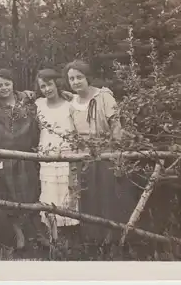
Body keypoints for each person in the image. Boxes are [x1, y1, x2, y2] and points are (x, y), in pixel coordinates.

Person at [63, 59, 138, 253]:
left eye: (79, 77)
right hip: (85, 159)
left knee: (109, 197)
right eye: (71, 78)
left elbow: (116, 126)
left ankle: (114, 240)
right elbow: (73, 135)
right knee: (90, 196)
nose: (76, 81)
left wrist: (116, 155)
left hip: (107, 155)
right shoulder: (72, 104)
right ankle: (93, 240)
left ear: (88, 77)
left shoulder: (104, 97)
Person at [0, 68, 49, 251]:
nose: (4, 88)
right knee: (8, 196)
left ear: (13, 83)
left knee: (32, 194)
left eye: (7, 84)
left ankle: (38, 233)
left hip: (26, 157)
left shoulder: (27, 101)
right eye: (0, 85)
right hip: (4, 158)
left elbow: (50, 93)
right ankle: (19, 234)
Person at [34, 68, 80, 231]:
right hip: (47, 155)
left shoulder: (71, 104)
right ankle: (53, 235)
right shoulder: (38, 104)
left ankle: (70, 234)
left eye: (49, 85)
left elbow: (84, 98)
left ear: (56, 84)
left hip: (67, 154)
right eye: (42, 87)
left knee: (68, 194)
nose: (47, 89)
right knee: (49, 193)